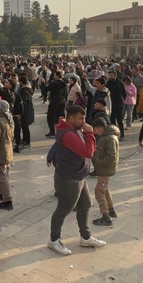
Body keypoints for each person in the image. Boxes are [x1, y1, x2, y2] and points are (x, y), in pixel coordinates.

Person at [46, 105, 107, 256]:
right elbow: (88, 151)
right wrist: (90, 134)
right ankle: (54, 240)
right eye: (81, 119)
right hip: (68, 179)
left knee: (85, 204)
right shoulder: (68, 134)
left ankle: (85, 237)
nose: (84, 122)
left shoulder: (74, 130)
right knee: (63, 210)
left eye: (84, 118)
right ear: (71, 118)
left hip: (79, 176)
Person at [90, 117, 119, 226]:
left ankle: (105, 216)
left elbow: (111, 156)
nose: (95, 132)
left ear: (100, 128)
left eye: (95, 130)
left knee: (99, 191)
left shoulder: (109, 138)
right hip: (105, 169)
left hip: (105, 169)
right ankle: (111, 210)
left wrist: (99, 162)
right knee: (105, 189)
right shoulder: (107, 136)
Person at [0, 100, 15, 211]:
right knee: (5, 173)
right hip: (8, 150)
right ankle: (0, 192)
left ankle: (7, 200)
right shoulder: (9, 119)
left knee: (1, 175)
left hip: (0, 152)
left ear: (0, 108)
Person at [45, 71, 67, 137]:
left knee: (50, 117)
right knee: (61, 117)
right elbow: (66, 93)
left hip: (54, 102)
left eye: (54, 75)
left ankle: (52, 132)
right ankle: (64, 131)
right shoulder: (64, 84)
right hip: (62, 101)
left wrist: (44, 84)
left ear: (57, 76)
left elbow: (46, 89)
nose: (53, 76)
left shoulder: (54, 83)